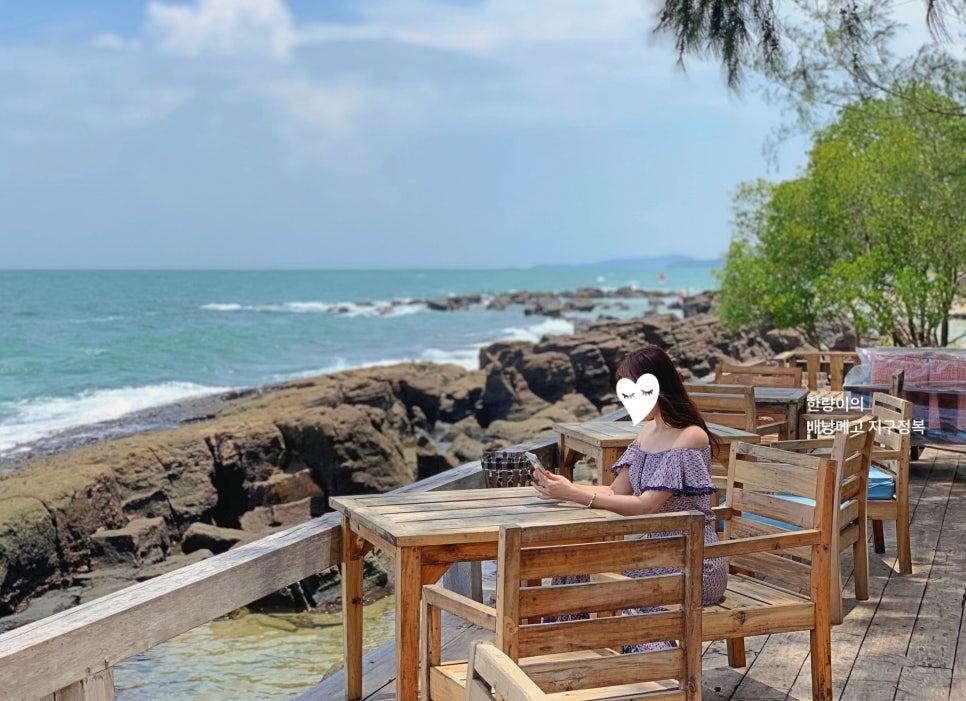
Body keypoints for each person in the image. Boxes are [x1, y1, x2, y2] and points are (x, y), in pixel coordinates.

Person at [531, 344, 727, 651]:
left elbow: (646, 505)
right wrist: (564, 488)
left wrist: (573, 494)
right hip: (657, 555)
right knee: (574, 566)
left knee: (614, 588)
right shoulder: (647, 432)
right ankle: (562, 650)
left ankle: (651, 672)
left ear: (658, 389)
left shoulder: (690, 436)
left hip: (694, 564)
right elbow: (614, 491)